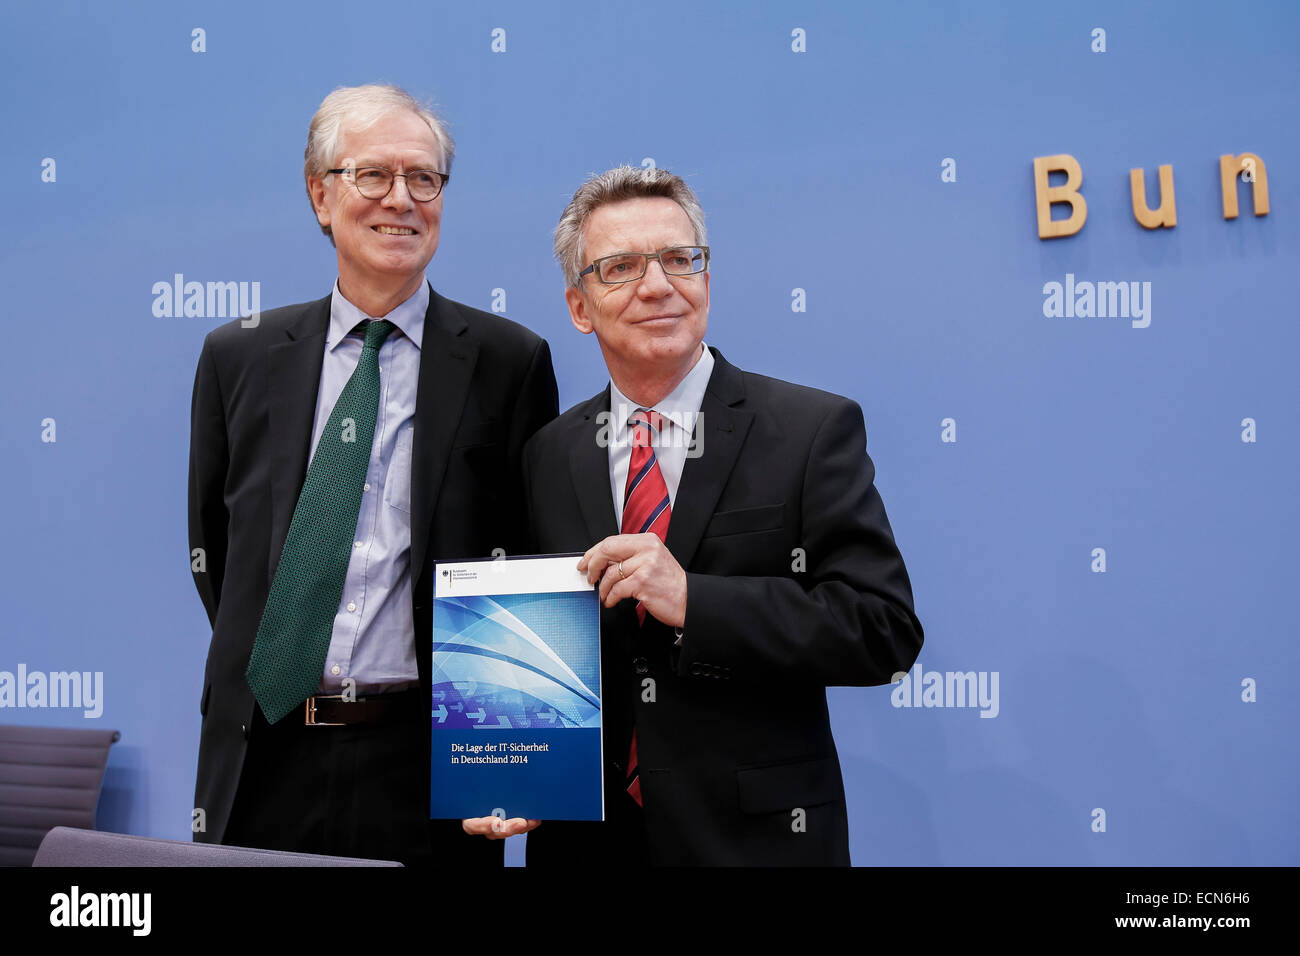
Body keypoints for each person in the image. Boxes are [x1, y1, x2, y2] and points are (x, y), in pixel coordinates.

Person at [467, 165, 922, 864]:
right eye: (620, 267)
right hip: (589, 851)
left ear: (705, 280)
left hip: (756, 845)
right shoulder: (548, 455)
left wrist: (693, 601)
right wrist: (515, 772)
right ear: (579, 307)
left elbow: (882, 631)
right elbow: (538, 642)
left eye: (680, 260)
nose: (658, 286)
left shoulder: (808, 430)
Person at [188, 84, 557, 866]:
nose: (403, 199)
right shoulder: (239, 355)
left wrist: (514, 750)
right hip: (266, 749)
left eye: (424, 178)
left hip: (427, 766)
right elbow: (219, 553)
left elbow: (524, 564)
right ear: (322, 196)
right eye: (374, 177)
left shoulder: (508, 361)